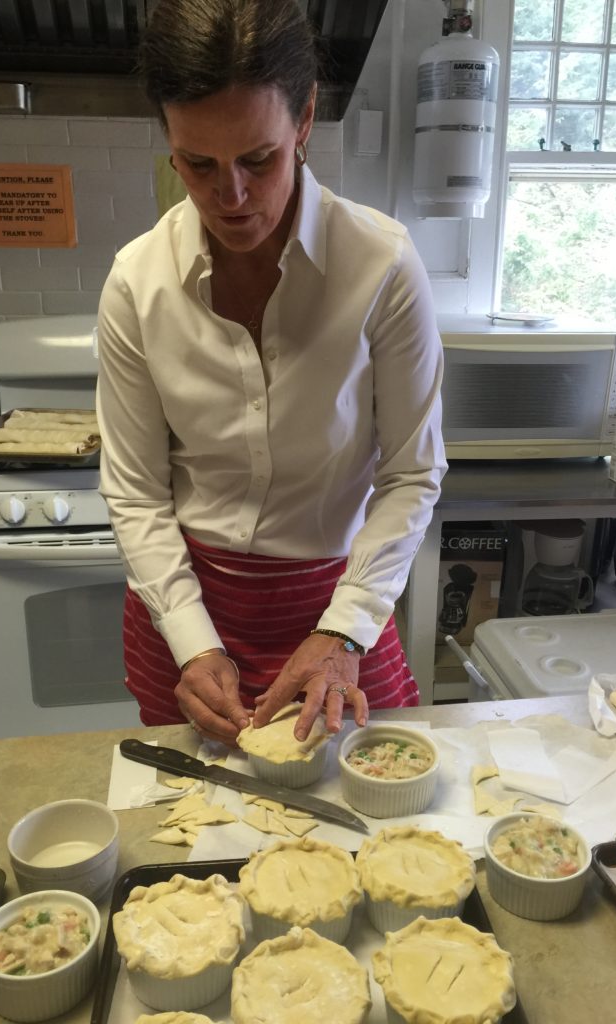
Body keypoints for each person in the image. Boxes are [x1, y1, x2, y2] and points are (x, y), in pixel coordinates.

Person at [95, 0, 447, 748]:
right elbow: (134, 489)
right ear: (168, 139)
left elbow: (413, 471)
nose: (232, 196)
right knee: (193, 836)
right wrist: (194, 641)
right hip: (186, 604)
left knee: (366, 826)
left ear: (306, 119)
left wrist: (346, 634)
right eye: (198, 164)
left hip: (337, 596)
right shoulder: (137, 282)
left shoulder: (380, 266)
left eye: (259, 159)